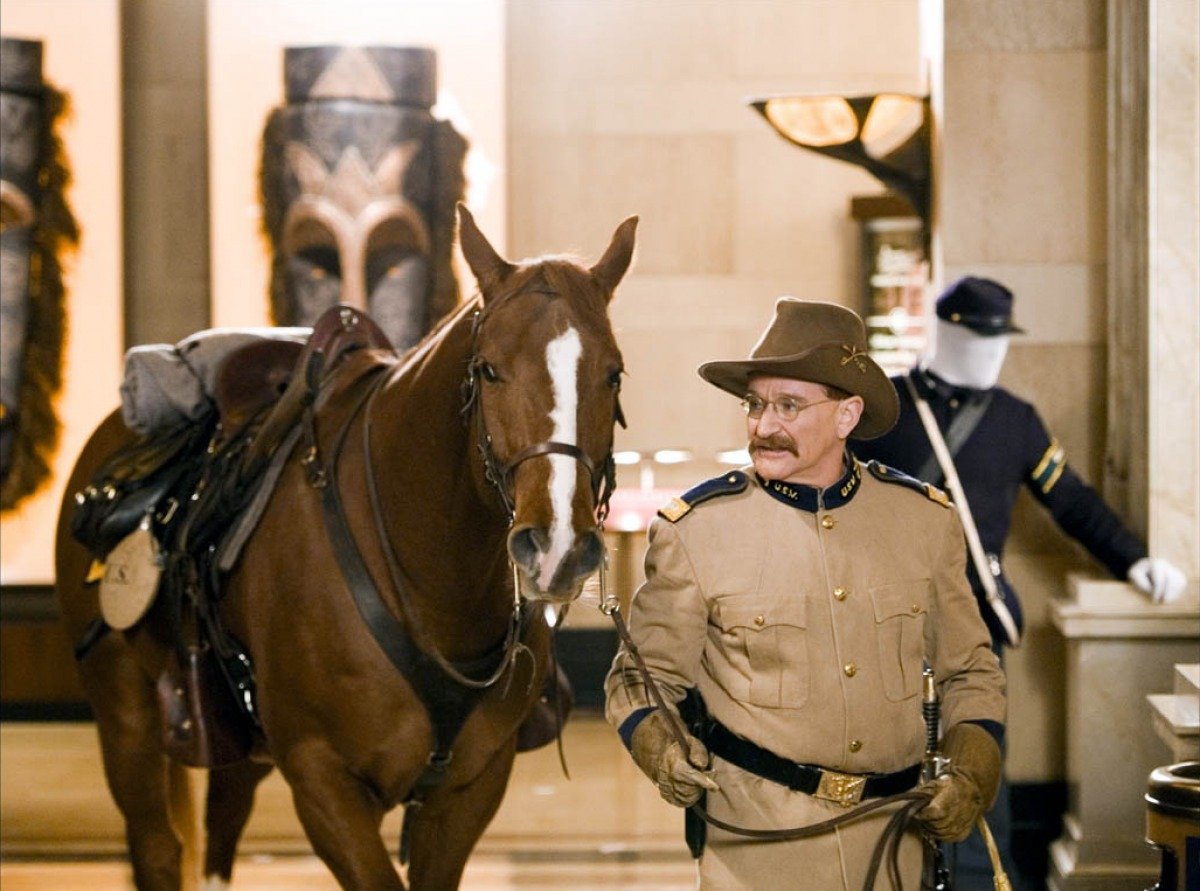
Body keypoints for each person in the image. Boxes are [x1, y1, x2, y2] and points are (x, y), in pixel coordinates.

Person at [604, 297, 1008, 889]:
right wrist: (662, 750)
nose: (765, 426)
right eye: (756, 405)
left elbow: (971, 671)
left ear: (847, 416)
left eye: (789, 406)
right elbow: (640, 678)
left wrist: (972, 778)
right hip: (757, 848)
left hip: (894, 843)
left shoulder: (923, 522)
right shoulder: (696, 531)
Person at [851, 275, 1188, 888]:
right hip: (881, 616)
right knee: (881, 756)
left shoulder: (1015, 420)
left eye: (998, 339)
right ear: (947, 331)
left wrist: (1134, 560)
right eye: (979, 337)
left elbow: (1072, 501)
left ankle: (979, 880)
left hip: (975, 620)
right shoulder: (886, 412)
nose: (991, 351)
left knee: (977, 758)